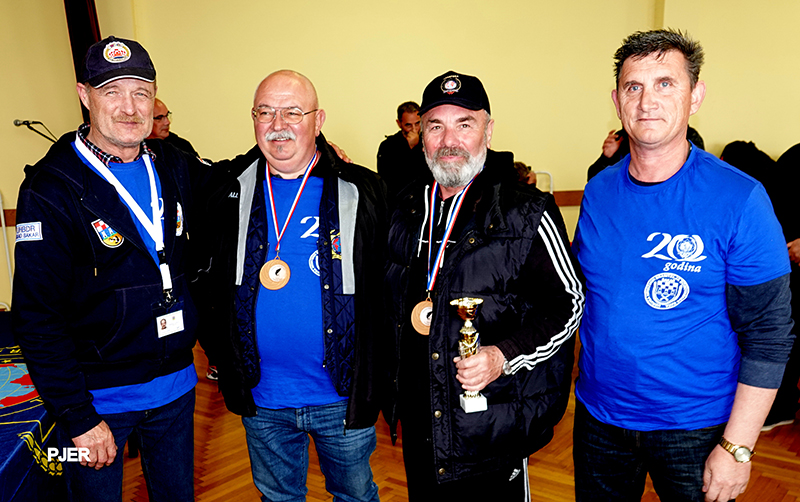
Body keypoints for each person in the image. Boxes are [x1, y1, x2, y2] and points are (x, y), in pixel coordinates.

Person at [572, 29, 795, 502]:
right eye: (634, 86)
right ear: (617, 100)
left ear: (695, 96)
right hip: (599, 419)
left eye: (665, 83)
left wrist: (737, 447)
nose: (647, 101)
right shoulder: (598, 191)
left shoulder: (741, 199)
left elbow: (770, 334)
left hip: (696, 428)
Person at [12, 36, 199, 502]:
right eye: (112, 91)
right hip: (98, 406)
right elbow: (37, 317)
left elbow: (236, 178)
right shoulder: (50, 189)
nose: (129, 107)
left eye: (141, 92)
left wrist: (316, 150)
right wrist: (77, 416)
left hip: (176, 390)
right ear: (84, 95)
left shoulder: (172, 163)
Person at [384, 70, 585, 500]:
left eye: (464, 124)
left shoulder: (526, 212)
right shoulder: (402, 208)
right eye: (435, 126)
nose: (448, 140)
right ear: (420, 136)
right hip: (421, 421)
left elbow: (568, 304)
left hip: (493, 425)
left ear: (488, 131)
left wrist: (501, 355)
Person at [202, 70, 387, 501]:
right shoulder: (226, 190)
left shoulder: (362, 189)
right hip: (262, 395)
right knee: (278, 499)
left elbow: (388, 288)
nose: (278, 124)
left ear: (318, 120)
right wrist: (221, 355)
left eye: (292, 112)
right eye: (265, 112)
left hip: (341, 396)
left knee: (356, 497)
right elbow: (203, 279)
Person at [587, 125, 704, 180]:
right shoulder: (621, 138)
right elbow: (593, 178)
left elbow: (699, 175)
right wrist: (606, 157)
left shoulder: (689, 136)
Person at [377, 100, 429, 200]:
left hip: (424, 199)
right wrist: (412, 148)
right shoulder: (388, 146)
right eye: (408, 125)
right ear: (399, 123)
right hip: (398, 202)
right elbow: (389, 180)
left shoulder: (429, 142)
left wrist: (417, 147)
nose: (414, 129)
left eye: (417, 123)